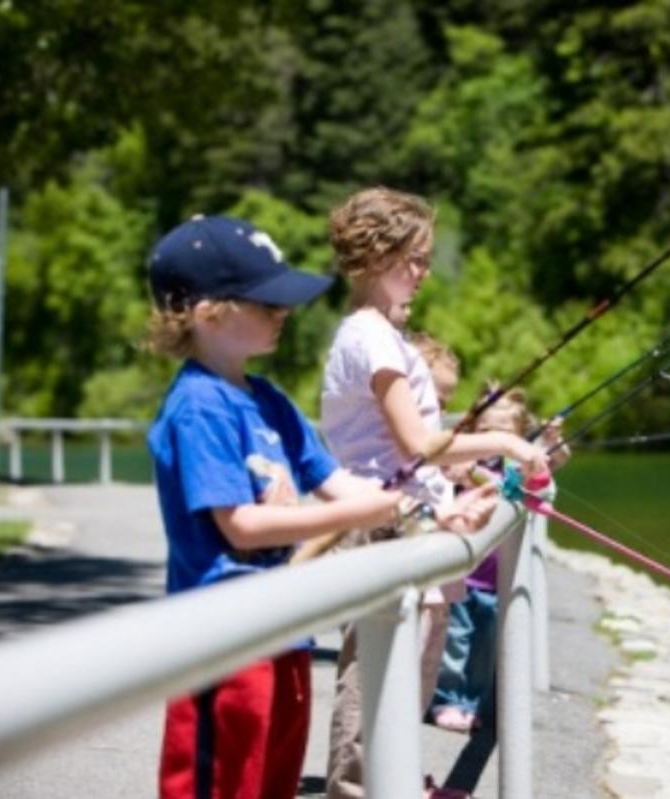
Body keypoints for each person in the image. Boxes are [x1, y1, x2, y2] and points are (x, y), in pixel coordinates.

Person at [144, 215, 496, 799]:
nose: (284, 312)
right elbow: (243, 526)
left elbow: (346, 487)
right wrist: (360, 516)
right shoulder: (198, 408)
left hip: (286, 633)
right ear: (209, 314)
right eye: (266, 303)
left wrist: (436, 518)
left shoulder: (268, 401)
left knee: (275, 783)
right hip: (222, 643)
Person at [320, 187, 549, 799]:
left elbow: (414, 445)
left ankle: (390, 780)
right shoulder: (368, 337)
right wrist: (509, 448)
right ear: (376, 256)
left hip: (403, 513)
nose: (424, 272)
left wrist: (450, 499)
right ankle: (357, 789)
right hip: (376, 518)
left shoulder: (384, 334)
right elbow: (418, 440)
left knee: (401, 663)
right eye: (414, 258)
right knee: (370, 670)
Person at [429, 386, 570, 734]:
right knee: (456, 639)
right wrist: (467, 471)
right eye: (486, 432)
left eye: (504, 434)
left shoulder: (518, 464)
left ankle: (473, 701)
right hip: (464, 572)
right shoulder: (463, 462)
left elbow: (552, 464)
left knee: (484, 646)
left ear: (519, 436)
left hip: (498, 578)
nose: (494, 439)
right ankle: (447, 699)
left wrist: (553, 441)